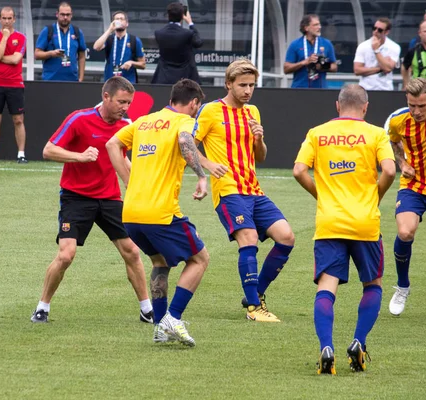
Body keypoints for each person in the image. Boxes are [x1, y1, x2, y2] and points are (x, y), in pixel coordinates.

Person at [30, 76, 152, 325]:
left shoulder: (125, 125)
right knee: (66, 255)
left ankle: (147, 309)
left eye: (128, 103)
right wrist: (80, 156)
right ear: (105, 96)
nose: (125, 107)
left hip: (109, 198)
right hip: (76, 198)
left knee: (132, 251)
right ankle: (42, 307)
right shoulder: (79, 118)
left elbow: (123, 158)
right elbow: (48, 150)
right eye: (120, 101)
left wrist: (135, 185)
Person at [293, 84, 396, 375]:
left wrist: (321, 195)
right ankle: (358, 343)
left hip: (330, 222)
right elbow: (389, 170)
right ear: (365, 106)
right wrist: (375, 196)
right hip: (365, 222)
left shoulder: (317, 132)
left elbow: (299, 170)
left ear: (337, 106)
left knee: (327, 287)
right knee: (373, 284)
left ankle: (326, 347)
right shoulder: (376, 133)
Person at [106, 79, 209, 347]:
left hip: (131, 214)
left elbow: (112, 145)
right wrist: (201, 175)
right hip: (160, 212)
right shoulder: (183, 121)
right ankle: (173, 318)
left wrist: (128, 179)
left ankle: (160, 328)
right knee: (199, 259)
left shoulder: (143, 121)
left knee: (160, 263)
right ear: (194, 103)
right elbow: (186, 140)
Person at [193, 59, 295, 322]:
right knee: (248, 238)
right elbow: (186, 146)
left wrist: (259, 139)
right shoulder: (210, 111)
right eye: (242, 85)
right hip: (228, 190)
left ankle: (256, 292)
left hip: (254, 190)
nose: (248, 90)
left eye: (252, 85)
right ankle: (254, 307)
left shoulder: (253, 112)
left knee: (286, 237)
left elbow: (260, 156)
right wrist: (206, 164)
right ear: (228, 84)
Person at [384, 78, 426, 319]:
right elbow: (392, 141)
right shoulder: (398, 119)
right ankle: (402, 287)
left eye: (421, 106)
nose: (416, 111)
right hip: (412, 186)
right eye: (412, 105)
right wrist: (402, 163)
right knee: (405, 232)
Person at [0, 6, 28, 163]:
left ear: (14, 19)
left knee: (18, 120)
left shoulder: (21, 37)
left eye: (9, 18)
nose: (6, 21)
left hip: (15, 84)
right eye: (4, 18)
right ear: (0, 19)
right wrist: (4, 38)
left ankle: (21, 154)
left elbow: (15, 59)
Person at [151, 2, 202, 85]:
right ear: (182, 16)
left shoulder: (159, 33)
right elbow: (199, 43)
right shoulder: (188, 34)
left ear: (168, 15)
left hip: (164, 77)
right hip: (185, 78)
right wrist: (190, 23)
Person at [34, 2, 86, 82]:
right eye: (62, 14)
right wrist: (51, 53)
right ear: (57, 14)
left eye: (68, 15)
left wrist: (81, 78)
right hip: (50, 81)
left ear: (71, 15)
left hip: (72, 81)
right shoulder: (48, 30)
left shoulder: (77, 32)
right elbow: (37, 54)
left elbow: (82, 56)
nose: (65, 17)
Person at [284, 14, 337, 89]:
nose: (319, 27)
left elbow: (334, 67)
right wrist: (304, 62)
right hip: (299, 89)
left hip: (320, 89)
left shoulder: (327, 44)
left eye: (319, 24)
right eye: (315, 25)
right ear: (306, 28)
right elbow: (286, 69)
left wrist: (323, 66)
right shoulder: (295, 44)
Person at [93, 10, 145, 84]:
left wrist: (131, 63)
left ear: (127, 23)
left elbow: (143, 64)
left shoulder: (134, 40)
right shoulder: (109, 39)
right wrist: (110, 29)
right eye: (117, 19)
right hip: (110, 82)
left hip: (128, 83)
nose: (119, 21)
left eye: (121, 19)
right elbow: (96, 47)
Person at [353, 17, 400, 91]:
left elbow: (388, 68)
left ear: (386, 32)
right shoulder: (363, 46)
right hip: (365, 89)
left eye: (380, 30)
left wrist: (376, 50)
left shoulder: (394, 47)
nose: (375, 31)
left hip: (385, 89)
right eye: (374, 28)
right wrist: (380, 69)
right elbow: (357, 70)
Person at [401, 20, 426, 88]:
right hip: (419, 90)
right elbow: (404, 67)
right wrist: (406, 83)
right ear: (420, 33)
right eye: (425, 31)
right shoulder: (413, 51)